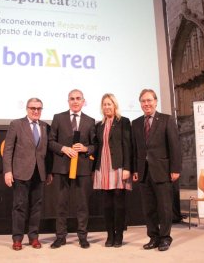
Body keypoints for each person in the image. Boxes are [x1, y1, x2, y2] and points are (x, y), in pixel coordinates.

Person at [131, 89, 182, 252]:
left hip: (163, 171)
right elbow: (135, 149)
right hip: (144, 172)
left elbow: (175, 147)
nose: (146, 104)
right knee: (149, 208)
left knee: (165, 207)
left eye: (149, 100)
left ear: (155, 101)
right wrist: (135, 169)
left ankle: (165, 238)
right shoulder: (136, 123)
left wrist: (175, 169)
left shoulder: (166, 119)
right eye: (143, 101)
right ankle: (153, 237)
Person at [2, 98, 52, 251]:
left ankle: (33, 237)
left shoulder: (45, 127)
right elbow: (8, 149)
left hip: (40, 173)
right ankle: (17, 239)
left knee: (37, 207)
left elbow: (48, 152)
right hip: (20, 172)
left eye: (39, 108)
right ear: (27, 109)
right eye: (33, 108)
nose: (36, 111)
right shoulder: (16, 124)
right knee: (19, 206)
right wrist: (8, 171)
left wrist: (48, 172)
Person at [49, 89, 96, 249]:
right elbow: (50, 141)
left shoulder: (90, 121)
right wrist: (63, 148)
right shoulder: (58, 118)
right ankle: (60, 237)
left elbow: (95, 145)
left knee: (82, 204)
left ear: (83, 101)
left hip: (82, 168)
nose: (75, 101)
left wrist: (85, 148)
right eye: (72, 99)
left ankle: (82, 236)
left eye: (78, 98)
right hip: (62, 167)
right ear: (68, 101)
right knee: (61, 204)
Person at [93, 93, 132, 248]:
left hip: (118, 167)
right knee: (107, 205)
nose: (107, 107)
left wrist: (128, 168)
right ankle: (110, 235)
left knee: (119, 204)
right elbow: (97, 147)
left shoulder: (123, 122)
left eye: (109, 104)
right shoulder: (98, 125)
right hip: (103, 167)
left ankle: (119, 236)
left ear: (115, 105)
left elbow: (128, 146)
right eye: (104, 104)